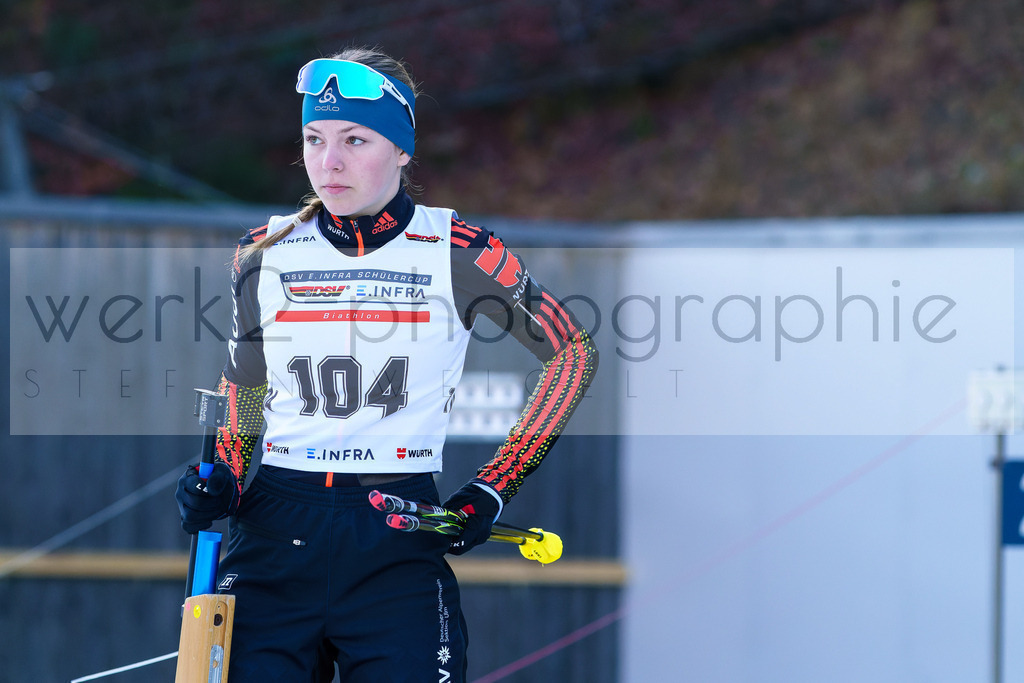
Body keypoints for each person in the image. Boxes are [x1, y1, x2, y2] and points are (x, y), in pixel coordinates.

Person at [175, 45, 598, 682]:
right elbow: (247, 386)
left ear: (402, 149)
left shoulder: (457, 249)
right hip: (275, 536)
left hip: (395, 535)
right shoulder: (263, 252)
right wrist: (225, 478)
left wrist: (492, 488)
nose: (329, 161)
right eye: (314, 139)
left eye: (355, 140)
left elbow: (571, 354)